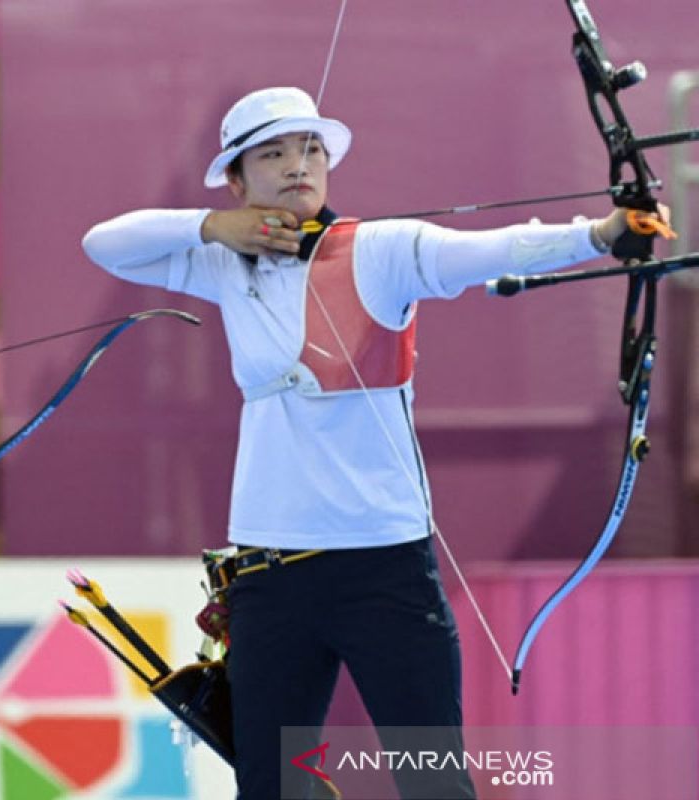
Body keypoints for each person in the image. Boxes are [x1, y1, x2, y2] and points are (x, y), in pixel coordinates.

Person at [82, 86, 668, 799]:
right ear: (237, 179)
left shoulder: (381, 251)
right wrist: (214, 227)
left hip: (384, 572)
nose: (299, 164)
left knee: (433, 786)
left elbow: (491, 250)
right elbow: (103, 243)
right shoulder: (221, 265)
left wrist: (603, 235)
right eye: (272, 154)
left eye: (311, 149)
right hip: (270, 574)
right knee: (272, 788)